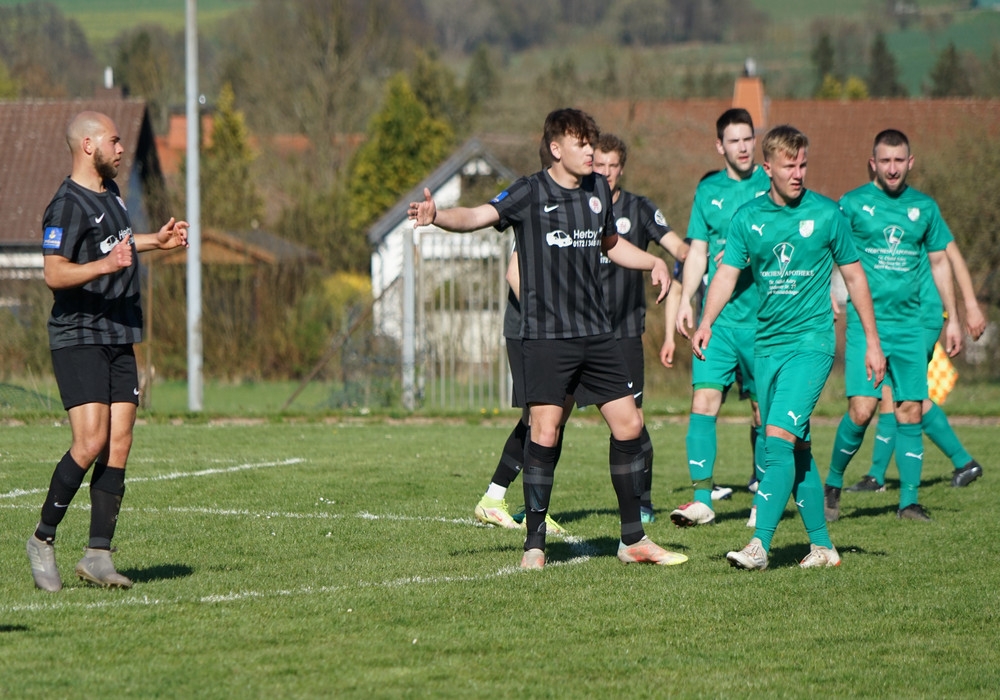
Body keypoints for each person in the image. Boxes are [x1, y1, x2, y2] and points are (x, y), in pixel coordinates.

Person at [410, 108, 686, 569]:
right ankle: (534, 545)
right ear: (556, 148)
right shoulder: (529, 191)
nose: (591, 152)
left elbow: (610, 244)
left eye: (592, 144)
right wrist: (438, 216)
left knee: (630, 426)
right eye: (582, 144)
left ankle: (633, 540)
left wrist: (653, 261)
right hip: (547, 337)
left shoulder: (598, 190)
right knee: (544, 431)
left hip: (598, 333)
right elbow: (478, 214)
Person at [692, 124, 885, 570]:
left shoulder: (827, 214)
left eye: (803, 165)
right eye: (789, 166)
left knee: (776, 440)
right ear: (768, 168)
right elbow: (726, 274)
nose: (798, 174)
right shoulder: (748, 218)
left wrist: (872, 342)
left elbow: (855, 277)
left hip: (811, 344)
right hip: (767, 347)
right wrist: (706, 322)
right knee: (797, 450)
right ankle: (823, 548)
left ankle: (759, 545)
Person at [26, 111, 190, 591]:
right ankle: (42, 538)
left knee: (119, 441)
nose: (121, 149)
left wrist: (155, 242)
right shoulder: (66, 205)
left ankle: (98, 554)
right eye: (114, 141)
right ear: (88, 145)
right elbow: (54, 272)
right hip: (79, 335)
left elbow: (120, 243)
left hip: (120, 332)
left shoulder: (112, 194)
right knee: (90, 442)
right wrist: (103, 265)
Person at [823, 129, 964, 522]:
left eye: (899, 160)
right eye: (884, 160)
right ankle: (832, 484)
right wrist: (826, 290)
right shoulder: (852, 204)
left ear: (910, 162)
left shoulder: (924, 208)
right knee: (862, 409)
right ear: (873, 163)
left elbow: (940, 262)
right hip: (866, 324)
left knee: (910, 409)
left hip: (910, 324)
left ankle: (909, 503)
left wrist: (953, 318)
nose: (892, 168)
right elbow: (827, 247)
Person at [670, 109, 771, 528]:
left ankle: (763, 498)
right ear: (720, 146)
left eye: (748, 139)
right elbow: (697, 250)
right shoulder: (708, 190)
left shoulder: (772, 183)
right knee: (704, 401)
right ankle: (701, 499)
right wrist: (686, 300)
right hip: (719, 321)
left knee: (763, 413)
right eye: (734, 141)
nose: (743, 147)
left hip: (765, 321)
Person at [591, 132, 692, 522]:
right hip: (578, 331)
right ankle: (534, 504)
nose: (606, 172)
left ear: (622, 168)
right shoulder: (578, 207)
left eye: (613, 166)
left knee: (633, 419)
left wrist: (696, 258)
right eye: (599, 165)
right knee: (549, 418)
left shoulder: (639, 208)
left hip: (625, 332)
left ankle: (642, 501)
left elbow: (678, 249)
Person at [846, 242, 986, 494]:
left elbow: (953, 258)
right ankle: (877, 476)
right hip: (904, 316)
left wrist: (970, 307)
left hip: (920, 317)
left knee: (904, 393)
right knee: (894, 390)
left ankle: (963, 462)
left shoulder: (924, 222)